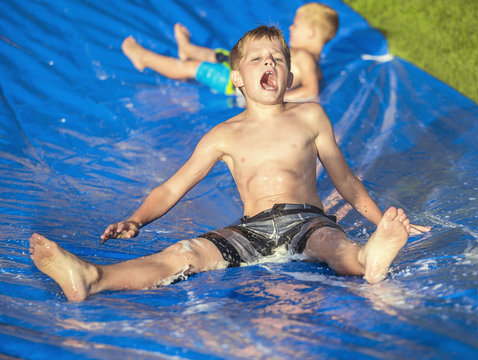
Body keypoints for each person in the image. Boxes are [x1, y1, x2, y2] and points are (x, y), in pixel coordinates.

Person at [30, 26, 430, 302]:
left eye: (277, 58)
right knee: (186, 253)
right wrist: (137, 219)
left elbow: (346, 180)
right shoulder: (224, 135)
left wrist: (380, 221)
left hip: (306, 218)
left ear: (289, 76)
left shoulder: (310, 117)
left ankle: (368, 259)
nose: (269, 64)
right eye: (258, 59)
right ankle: (93, 278)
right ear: (237, 77)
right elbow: (172, 187)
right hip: (251, 228)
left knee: (332, 244)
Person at [121, 3, 339, 101]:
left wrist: (277, 98)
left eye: (295, 25)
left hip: (234, 81)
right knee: (226, 55)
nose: (290, 28)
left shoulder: (304, 58)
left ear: (311, 33)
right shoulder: (309, 61)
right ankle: (188, 49)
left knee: (192, 69)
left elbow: (311, 91)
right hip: (245, 69)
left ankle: (145, 58)